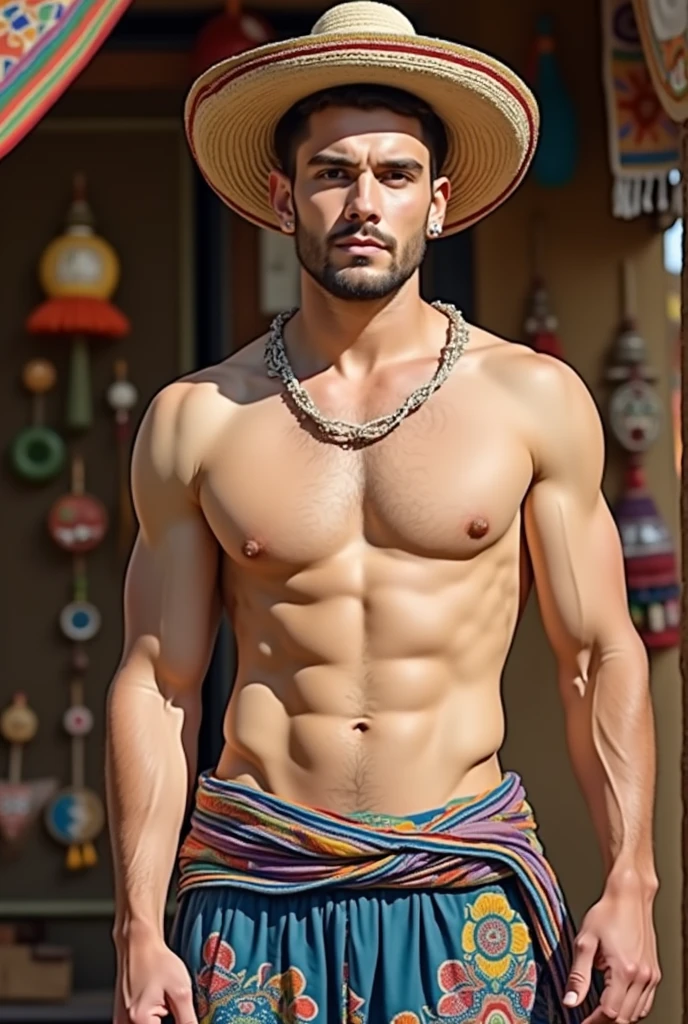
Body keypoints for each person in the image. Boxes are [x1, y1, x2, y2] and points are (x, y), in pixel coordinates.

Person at [106, 3, 660, 1024]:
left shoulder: (529, 400)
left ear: (438, 203)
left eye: (395, 175)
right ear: (283, 197)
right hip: (252, 882)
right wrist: (138, 927)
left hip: (459, 886)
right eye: (332, 172)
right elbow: (158, 683)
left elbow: (595, 653)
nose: (364, 201)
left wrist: (632, 879)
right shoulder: (199, 420)